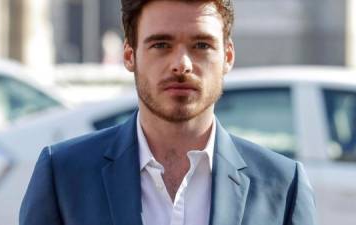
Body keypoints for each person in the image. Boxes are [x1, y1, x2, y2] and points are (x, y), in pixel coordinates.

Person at [19, 0, 317, 224]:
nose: (182, 64)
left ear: (227, 56)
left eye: (201, 44)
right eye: (161, 44)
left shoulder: (282, 186)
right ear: (129, 55)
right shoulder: (63, 175)